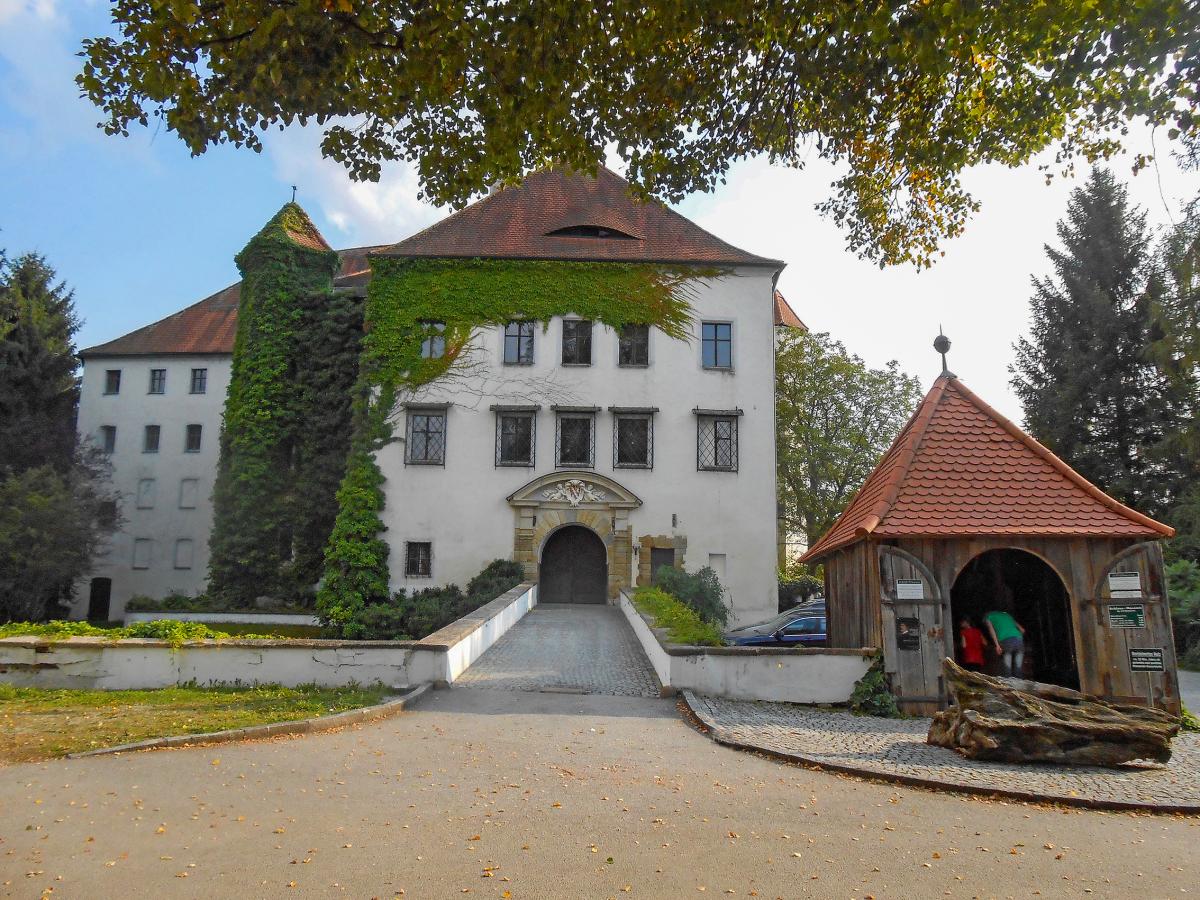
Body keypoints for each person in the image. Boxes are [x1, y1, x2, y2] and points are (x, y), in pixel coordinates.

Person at [984, 604, 1026, 676]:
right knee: (1018, 668)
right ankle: (1019, 685)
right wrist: (1018, 637)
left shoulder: (988, 616)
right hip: (1018, 639)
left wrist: (997, 645)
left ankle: (1009, 685)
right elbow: (1022, 630)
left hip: (1006, 640)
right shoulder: (1007, 615)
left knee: (1007, 668)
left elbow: (991, 631)